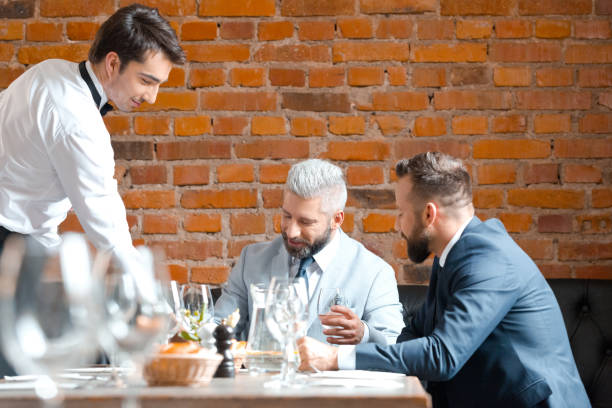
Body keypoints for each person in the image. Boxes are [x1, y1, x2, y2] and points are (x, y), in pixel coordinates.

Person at [298, 152, 590, 408]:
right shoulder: (451, 255)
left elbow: (442, 355)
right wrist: (365, 338)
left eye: (401, 213)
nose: (397, 224)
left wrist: (336, 358)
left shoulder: (490, 260)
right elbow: (415, 333)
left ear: (428, 214)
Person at [0, 3, 185, 377]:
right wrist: (152, 302)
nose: (152, 97)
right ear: (113, 63)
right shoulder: (79, 122)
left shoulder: (48, 71)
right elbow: (107, 226)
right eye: (147, 81)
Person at [215, 159, 404, 346]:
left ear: (336, 220)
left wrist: (364, 334)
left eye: (305, 222)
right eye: (287, 216)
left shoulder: (375, 273)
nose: (291, 232)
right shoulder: (251, 260)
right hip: (264, 373)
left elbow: (393, 345)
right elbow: (219, 326)